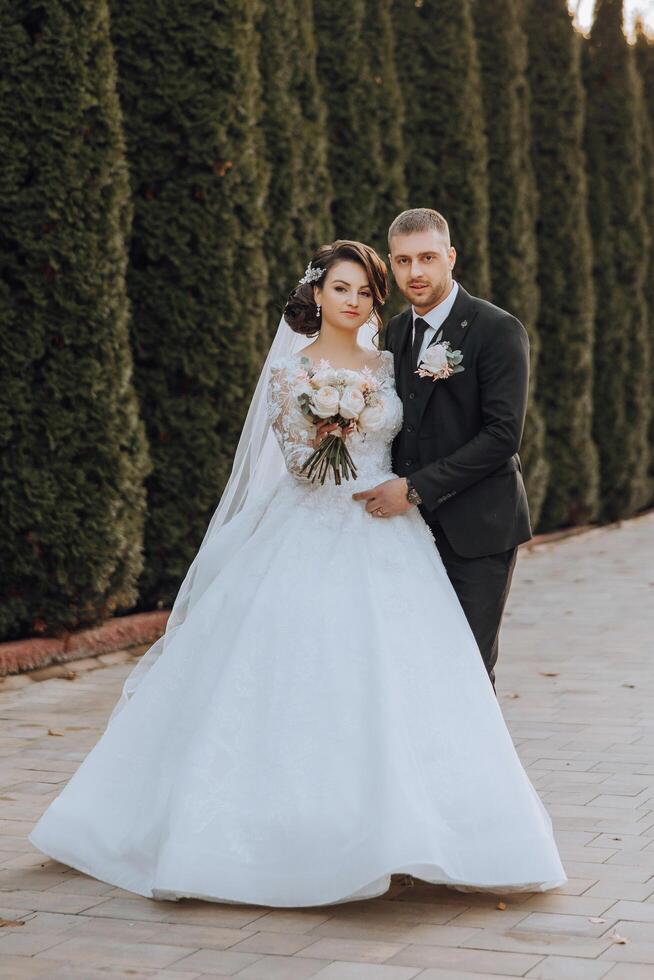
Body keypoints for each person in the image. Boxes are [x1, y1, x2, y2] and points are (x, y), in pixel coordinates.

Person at [28, 240, 566, 908]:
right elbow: (290, 458)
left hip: (393, 528)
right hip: (313, 526)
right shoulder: (292, 369)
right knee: (299, 679)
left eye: (367, 291)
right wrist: (327, 428)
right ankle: (294, 835)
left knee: (418, 680)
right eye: (343, 288)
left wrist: (396, 468)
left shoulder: (392, 356)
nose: (357, 301)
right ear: (317, 293)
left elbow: (442, 432)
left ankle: (428, 834)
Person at [354, 209, 532, 692]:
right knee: (414, 664)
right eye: (404, 260)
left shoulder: (497, 330)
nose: (417, 272)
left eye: (428, 258)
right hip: (409, 535)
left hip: (478, 529)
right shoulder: (394, 333)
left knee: (467, 671)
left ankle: (478, 770)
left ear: (450, 257)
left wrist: (412, 489)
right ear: (391, 264)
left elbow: (502, 436)